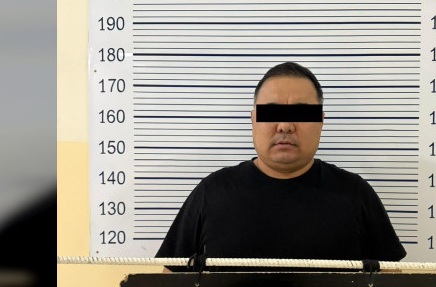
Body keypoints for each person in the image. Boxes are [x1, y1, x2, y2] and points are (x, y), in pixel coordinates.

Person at [157, 61, 406, 271]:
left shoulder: (356, 194)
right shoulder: (212, 192)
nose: (285, 125)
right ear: (253, 119)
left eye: (301, 113)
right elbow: (166, 283)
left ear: (321, 121)